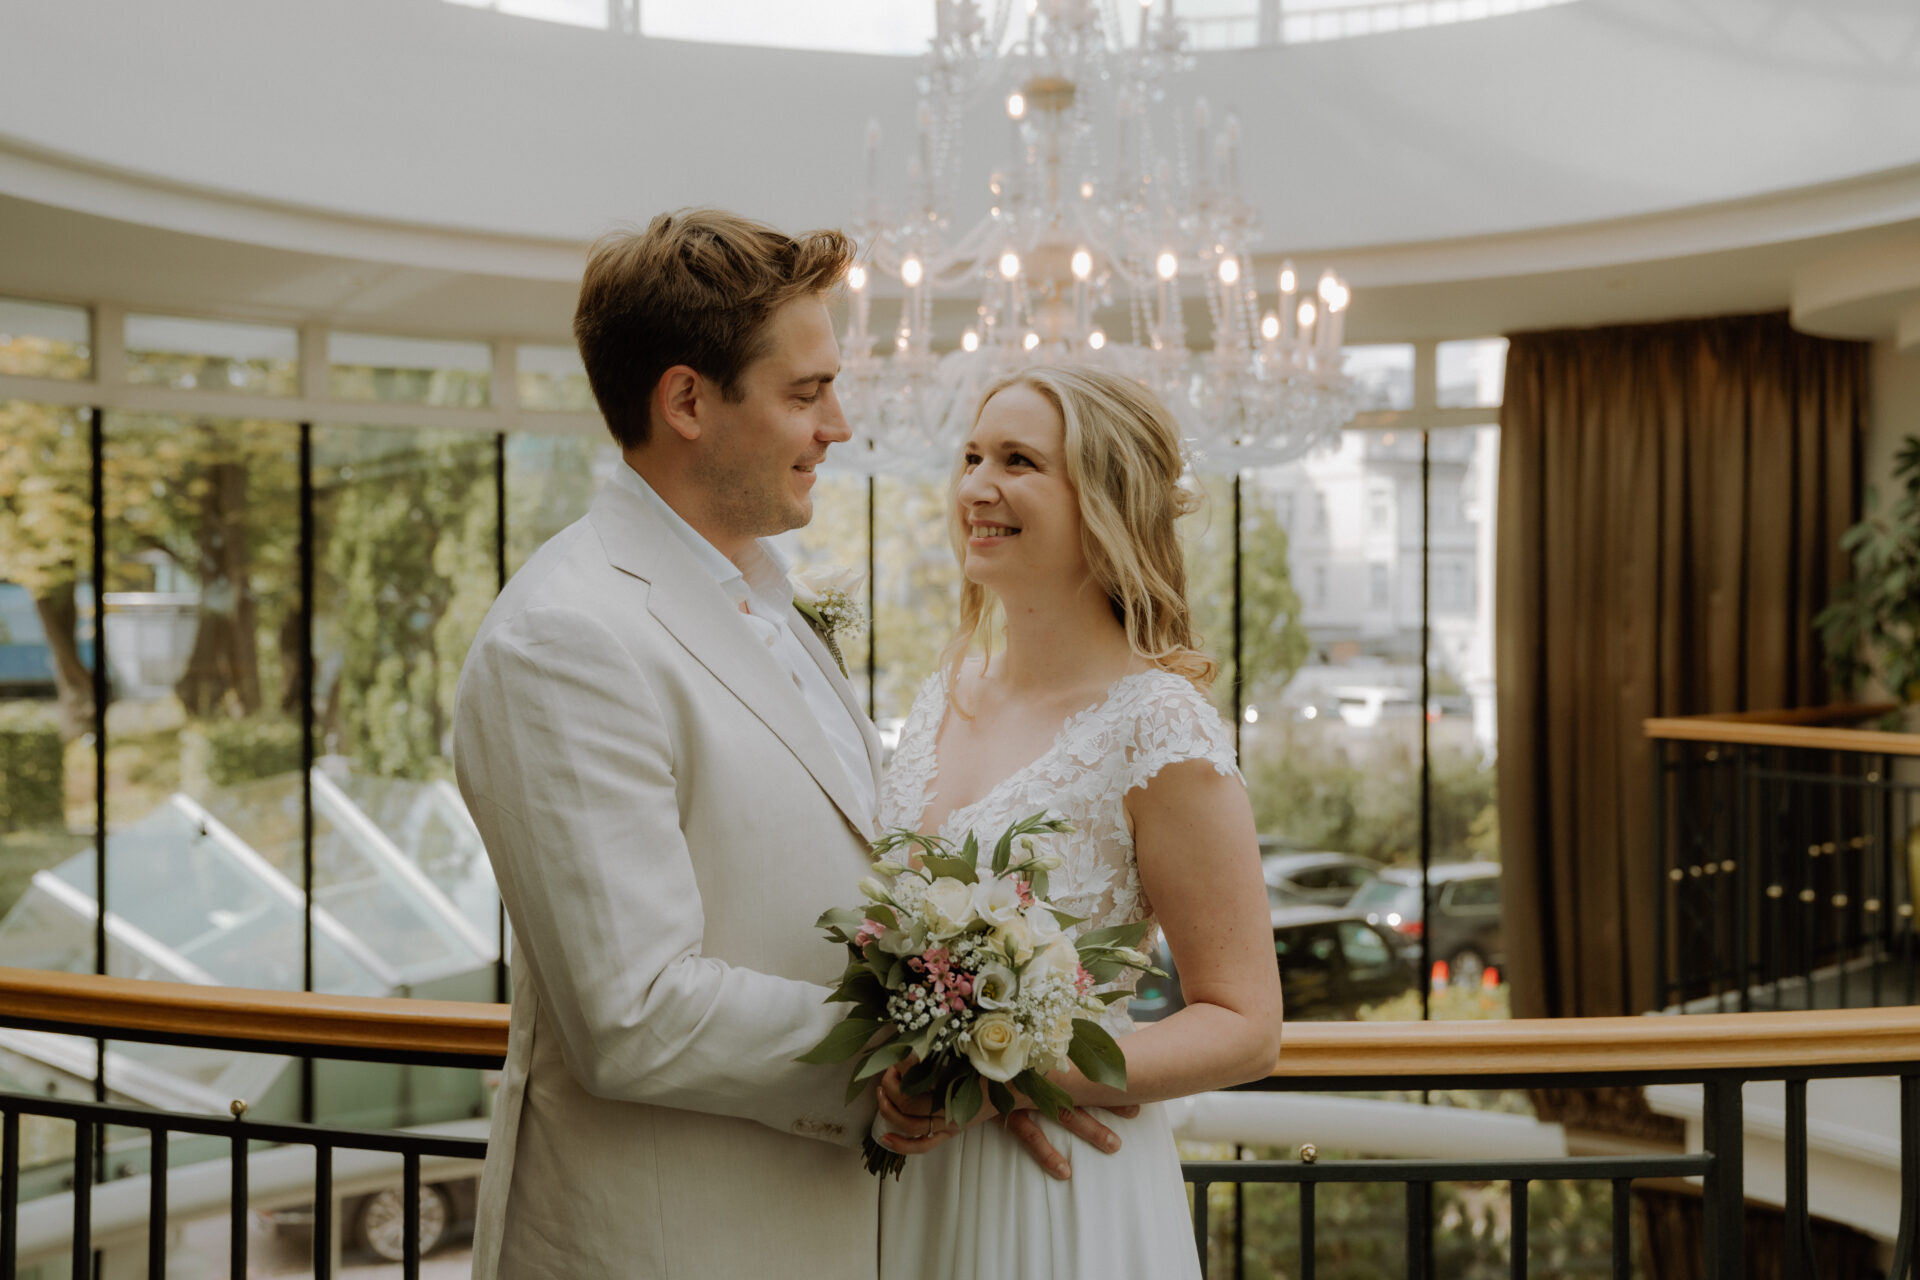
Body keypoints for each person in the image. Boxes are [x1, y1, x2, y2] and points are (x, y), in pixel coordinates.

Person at [452, 210, 1124, 1280]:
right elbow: (635, 1012)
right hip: (677, 1238)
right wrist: (932, 1052)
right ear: (686, 401)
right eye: (806, 393)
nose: (840, 424)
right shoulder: (566, 638)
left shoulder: (762, 591)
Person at [869, 365, 1287, 1279]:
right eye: (972, 455)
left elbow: (1246, 1022)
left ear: (1106, 501)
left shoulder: (1157, 726)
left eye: (1019, 461)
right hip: (898, 1185)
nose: (977, 485)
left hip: (1054, 1195)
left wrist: (1011, 1073)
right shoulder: (942, 697)